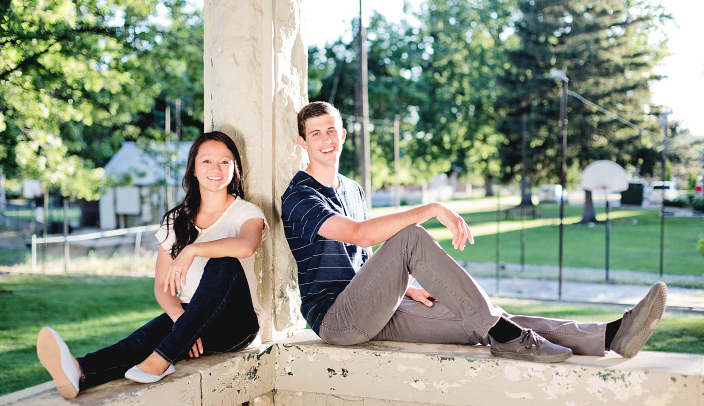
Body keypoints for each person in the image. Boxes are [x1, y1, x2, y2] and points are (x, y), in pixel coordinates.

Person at [281, 101, 667, 362]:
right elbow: (360, 236)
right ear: (303, 142)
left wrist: (404, 285)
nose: (327, 140)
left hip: (377, 307)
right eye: (316, 134)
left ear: (344, 134)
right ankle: (504, 335)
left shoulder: (352, 189)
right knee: (411, 236)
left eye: (332, 131)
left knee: (482, 318)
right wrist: (431, 209)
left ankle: (609, 335)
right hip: (338, 320)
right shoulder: (299, 196)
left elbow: (361, 260)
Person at [37, 131, 268, 399]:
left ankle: (164, 358)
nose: (215, 169)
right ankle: (79, 370)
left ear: (235, 169)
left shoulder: (247, 213)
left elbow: (246, 246)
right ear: (193, 168)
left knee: (224, 262)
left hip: (236, 324)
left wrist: (192, 250)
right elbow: (162, 287)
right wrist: (184, 325)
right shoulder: (176, 221)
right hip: (188, 316)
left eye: (225, 162)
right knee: (140, 340)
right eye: (206, 161)